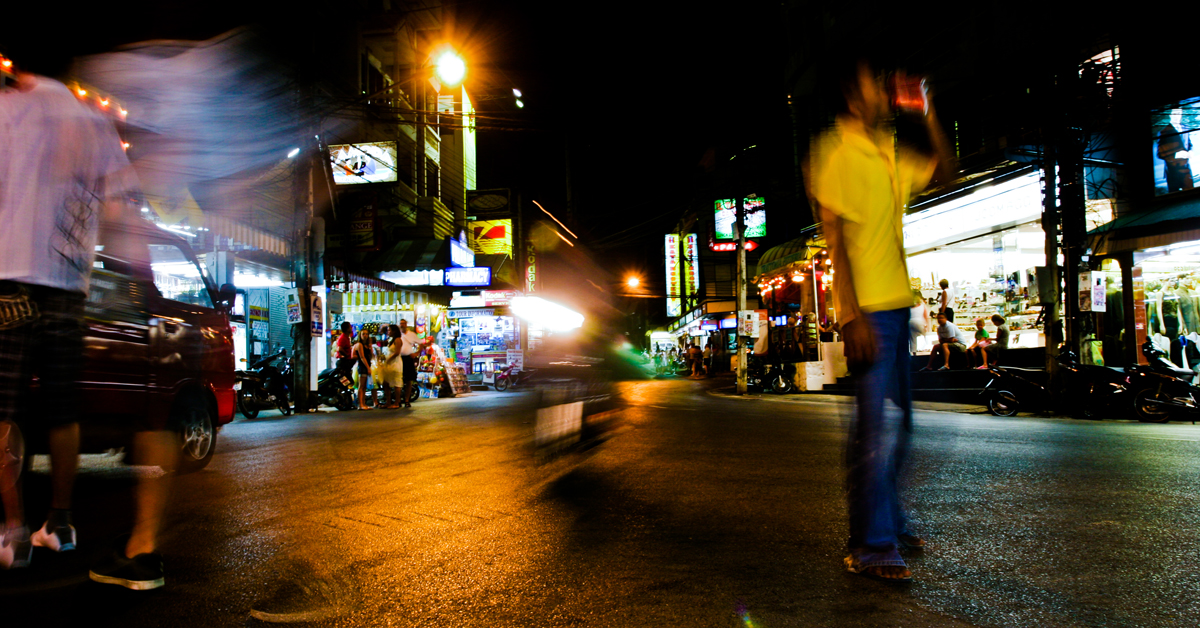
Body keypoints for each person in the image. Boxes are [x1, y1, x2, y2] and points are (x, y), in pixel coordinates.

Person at [0, 48, 177, 589]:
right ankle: (61, 522)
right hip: (68, 284)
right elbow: (122, 204)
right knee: (61, 408)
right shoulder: (90, 117)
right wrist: (145, 284)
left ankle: (12, 531)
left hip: (10, 274)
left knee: (3, 408)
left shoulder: (6, 110)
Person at [806, 55, 954, 581]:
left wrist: (927, 108)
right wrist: (850, 316)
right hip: (868, 310)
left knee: (901, 426)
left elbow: (944, 170)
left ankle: (887, 519)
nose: (883, 90)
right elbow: (837, 240)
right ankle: (871, 545)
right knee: (875, 430)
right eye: (874, 82)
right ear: (854, 95)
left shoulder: (887, 149)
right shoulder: (835, 152)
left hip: (897, 304)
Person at [397, 319, 419, 408]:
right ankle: (398, 400)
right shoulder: (397, 334)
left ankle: (407, 400)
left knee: (409, 380)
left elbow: (421, 342)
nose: (402, 325)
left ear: (406, 325)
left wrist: (416, 353)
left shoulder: (411, 334)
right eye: (401, 324)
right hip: (399, 358)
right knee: (399, 380)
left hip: (408, 358)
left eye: (404, 324)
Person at [351, 328, 375, 410]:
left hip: (367, 365)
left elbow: (371, 356)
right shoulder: (359, 345)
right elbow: (362, 357)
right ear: (360, 335)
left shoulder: (367, 345)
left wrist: (370, 347)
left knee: (364, 386)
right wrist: (368, 368)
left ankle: (363, 403)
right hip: (362, 366)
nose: (365, 336)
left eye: (366, 334)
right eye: (363, 334)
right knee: (361, 386)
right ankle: (361, 404)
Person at [908, 290, 930, 354]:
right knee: (924, 336)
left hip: (910, 322)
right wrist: (926, 326)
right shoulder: (922, 305)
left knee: (913, 338)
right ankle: (926, 347)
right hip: (919, 323)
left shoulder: (909, 306)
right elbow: (926, 316)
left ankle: (913, 352)